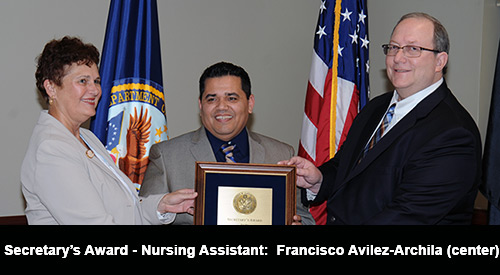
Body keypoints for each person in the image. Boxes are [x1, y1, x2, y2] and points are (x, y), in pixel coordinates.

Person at [279, 12, 481, 225]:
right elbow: (347, 168)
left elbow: (406, 216)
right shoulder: (376, 107)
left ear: (440, 61)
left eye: (413, 49)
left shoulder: (453, 134)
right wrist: (319, 179)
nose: (398, 58)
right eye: (393, 47)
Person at [21, 36, 197, 225]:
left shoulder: (86, 137)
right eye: (82, 81)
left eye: (96, 81)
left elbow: (124, 209)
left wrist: (161, 206)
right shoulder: (51, 149)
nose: (95, 90)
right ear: (51, 88)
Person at [139, 61, 315, 225]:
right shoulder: (166, 156)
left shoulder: (282, 155)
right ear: (201, 106)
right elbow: (141, 217)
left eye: (232, 98)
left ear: (250, 103)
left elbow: (305, 217)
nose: (221, 106)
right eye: (211, 99)